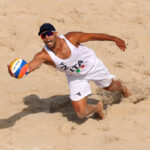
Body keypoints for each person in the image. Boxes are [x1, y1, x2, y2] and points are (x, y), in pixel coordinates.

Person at [8, 23, 132, 120]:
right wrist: (16, 73)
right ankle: (97, 108)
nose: (46, 37)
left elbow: (93, 36)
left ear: (55, 33)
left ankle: (124, 89)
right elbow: (29, 68)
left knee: (110, 87)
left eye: (49, 33)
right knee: (81, 113)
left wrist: (115, 39)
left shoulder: (71, 38)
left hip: (92, 65)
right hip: (75, 76)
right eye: (43, 36)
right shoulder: (44, 55)